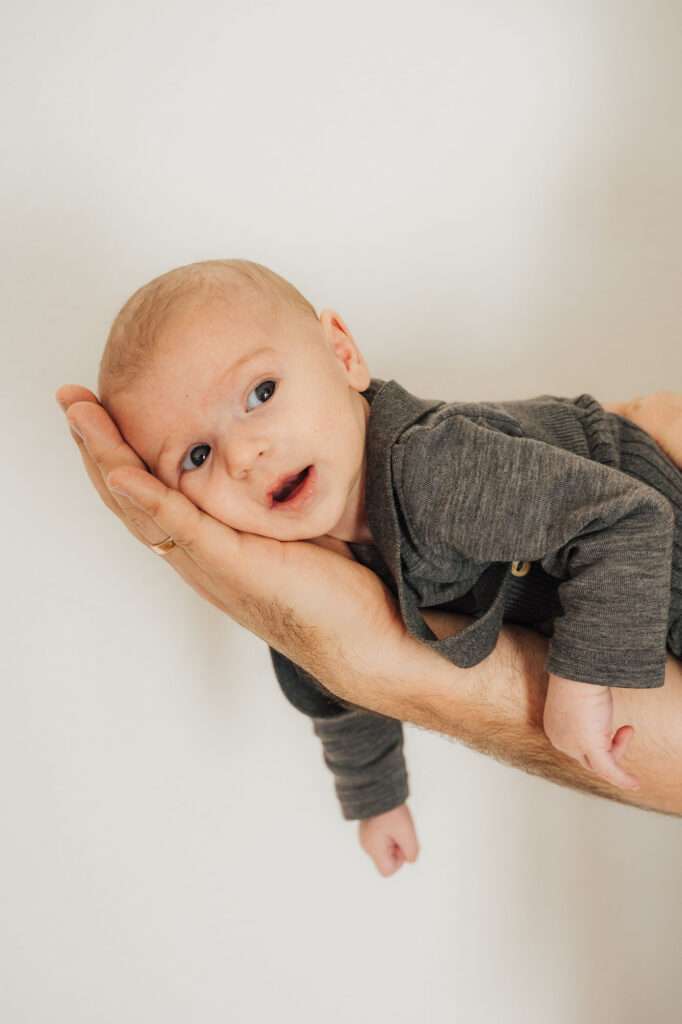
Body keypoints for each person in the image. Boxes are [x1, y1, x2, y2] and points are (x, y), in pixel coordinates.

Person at [56, 259, 682, 877]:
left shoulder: (432, 468)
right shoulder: (302, 556)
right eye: (196, 455)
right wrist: (378, 799)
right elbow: (336, 680)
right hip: (606, 576)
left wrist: (580, 682)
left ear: (343, 355)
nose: (245, 454)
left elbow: (625, 519)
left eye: (261, 393)